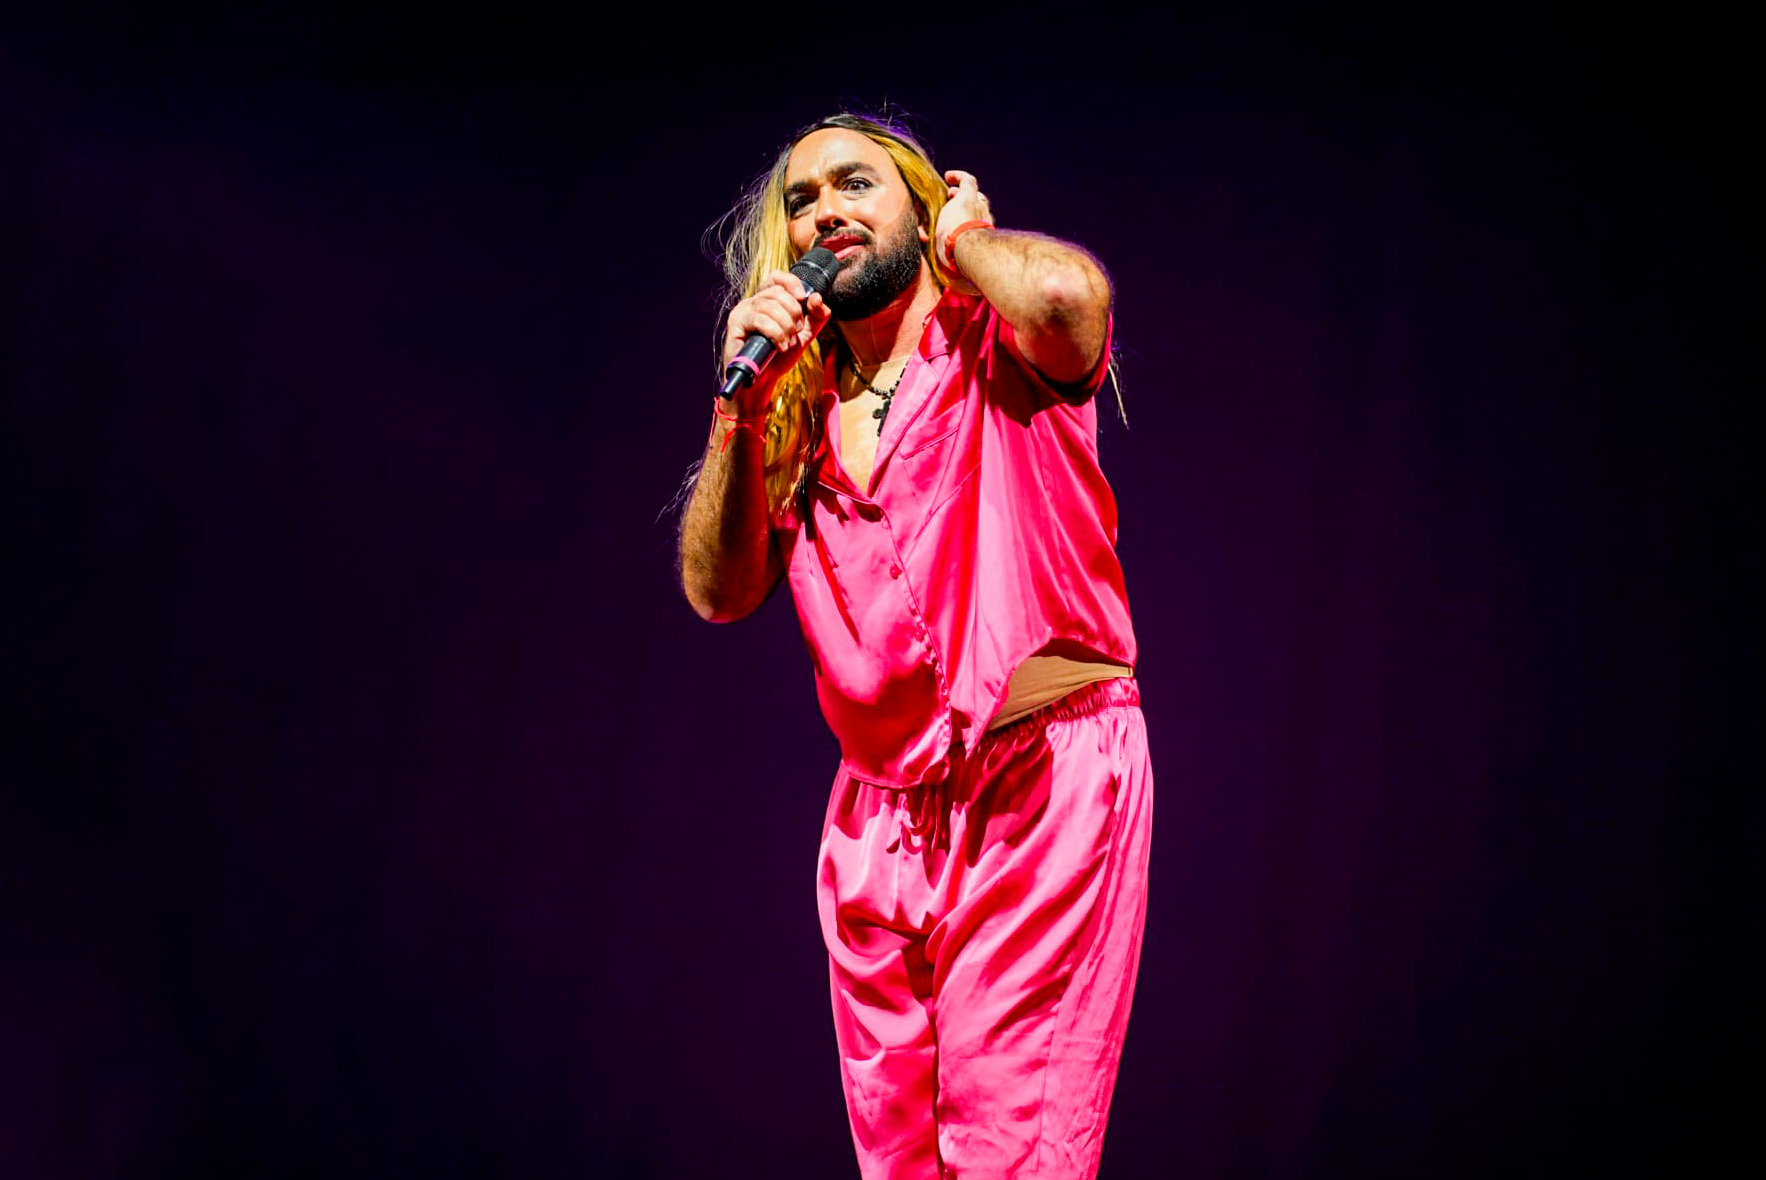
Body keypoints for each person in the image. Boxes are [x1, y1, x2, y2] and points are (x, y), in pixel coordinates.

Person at [678, 112, 1153, 1180]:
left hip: (1038, 783)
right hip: (876, 823)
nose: (824, 212)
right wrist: (737, 410)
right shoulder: (793, 410)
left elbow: (1067, 299)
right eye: (801, 201)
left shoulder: (997, 340)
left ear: (924, 202)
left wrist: (964, 241)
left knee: (1011, 1153)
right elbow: (717, 591)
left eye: (855, 183)